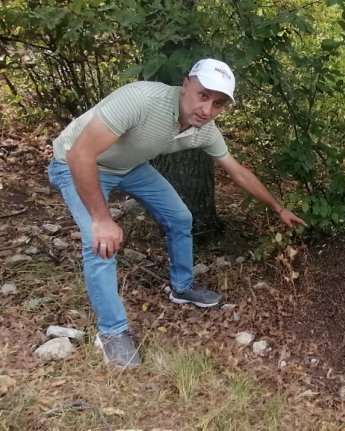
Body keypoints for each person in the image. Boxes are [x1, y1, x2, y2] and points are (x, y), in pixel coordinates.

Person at [48, 58, 306, 368]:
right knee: (101, 242)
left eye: (219, 103)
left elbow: (237, 172)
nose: (207, 110)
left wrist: (278, 208)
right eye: (203, 95)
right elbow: (81, 153)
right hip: (74, 162)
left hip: (128, 167)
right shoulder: (141, 99)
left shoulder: (205, 130)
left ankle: (182, 287)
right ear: (185, 85)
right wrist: (103, 220)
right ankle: (112, 332)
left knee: (181, 217)